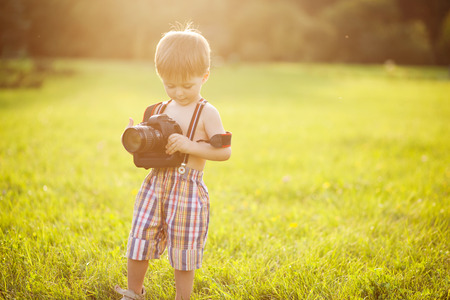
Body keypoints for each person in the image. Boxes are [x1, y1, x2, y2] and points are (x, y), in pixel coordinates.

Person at [115, 25, 231, 300]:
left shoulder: (207, 112)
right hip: (155, 183)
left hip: (187, 188)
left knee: (184, 250)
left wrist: (191, 146)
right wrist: (136, 137)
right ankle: (133, 292)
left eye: (188, 85)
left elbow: (224, 152)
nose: (178, 92)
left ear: (205, 76)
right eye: (170, 84)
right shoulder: (159, 109)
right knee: (139, 238)